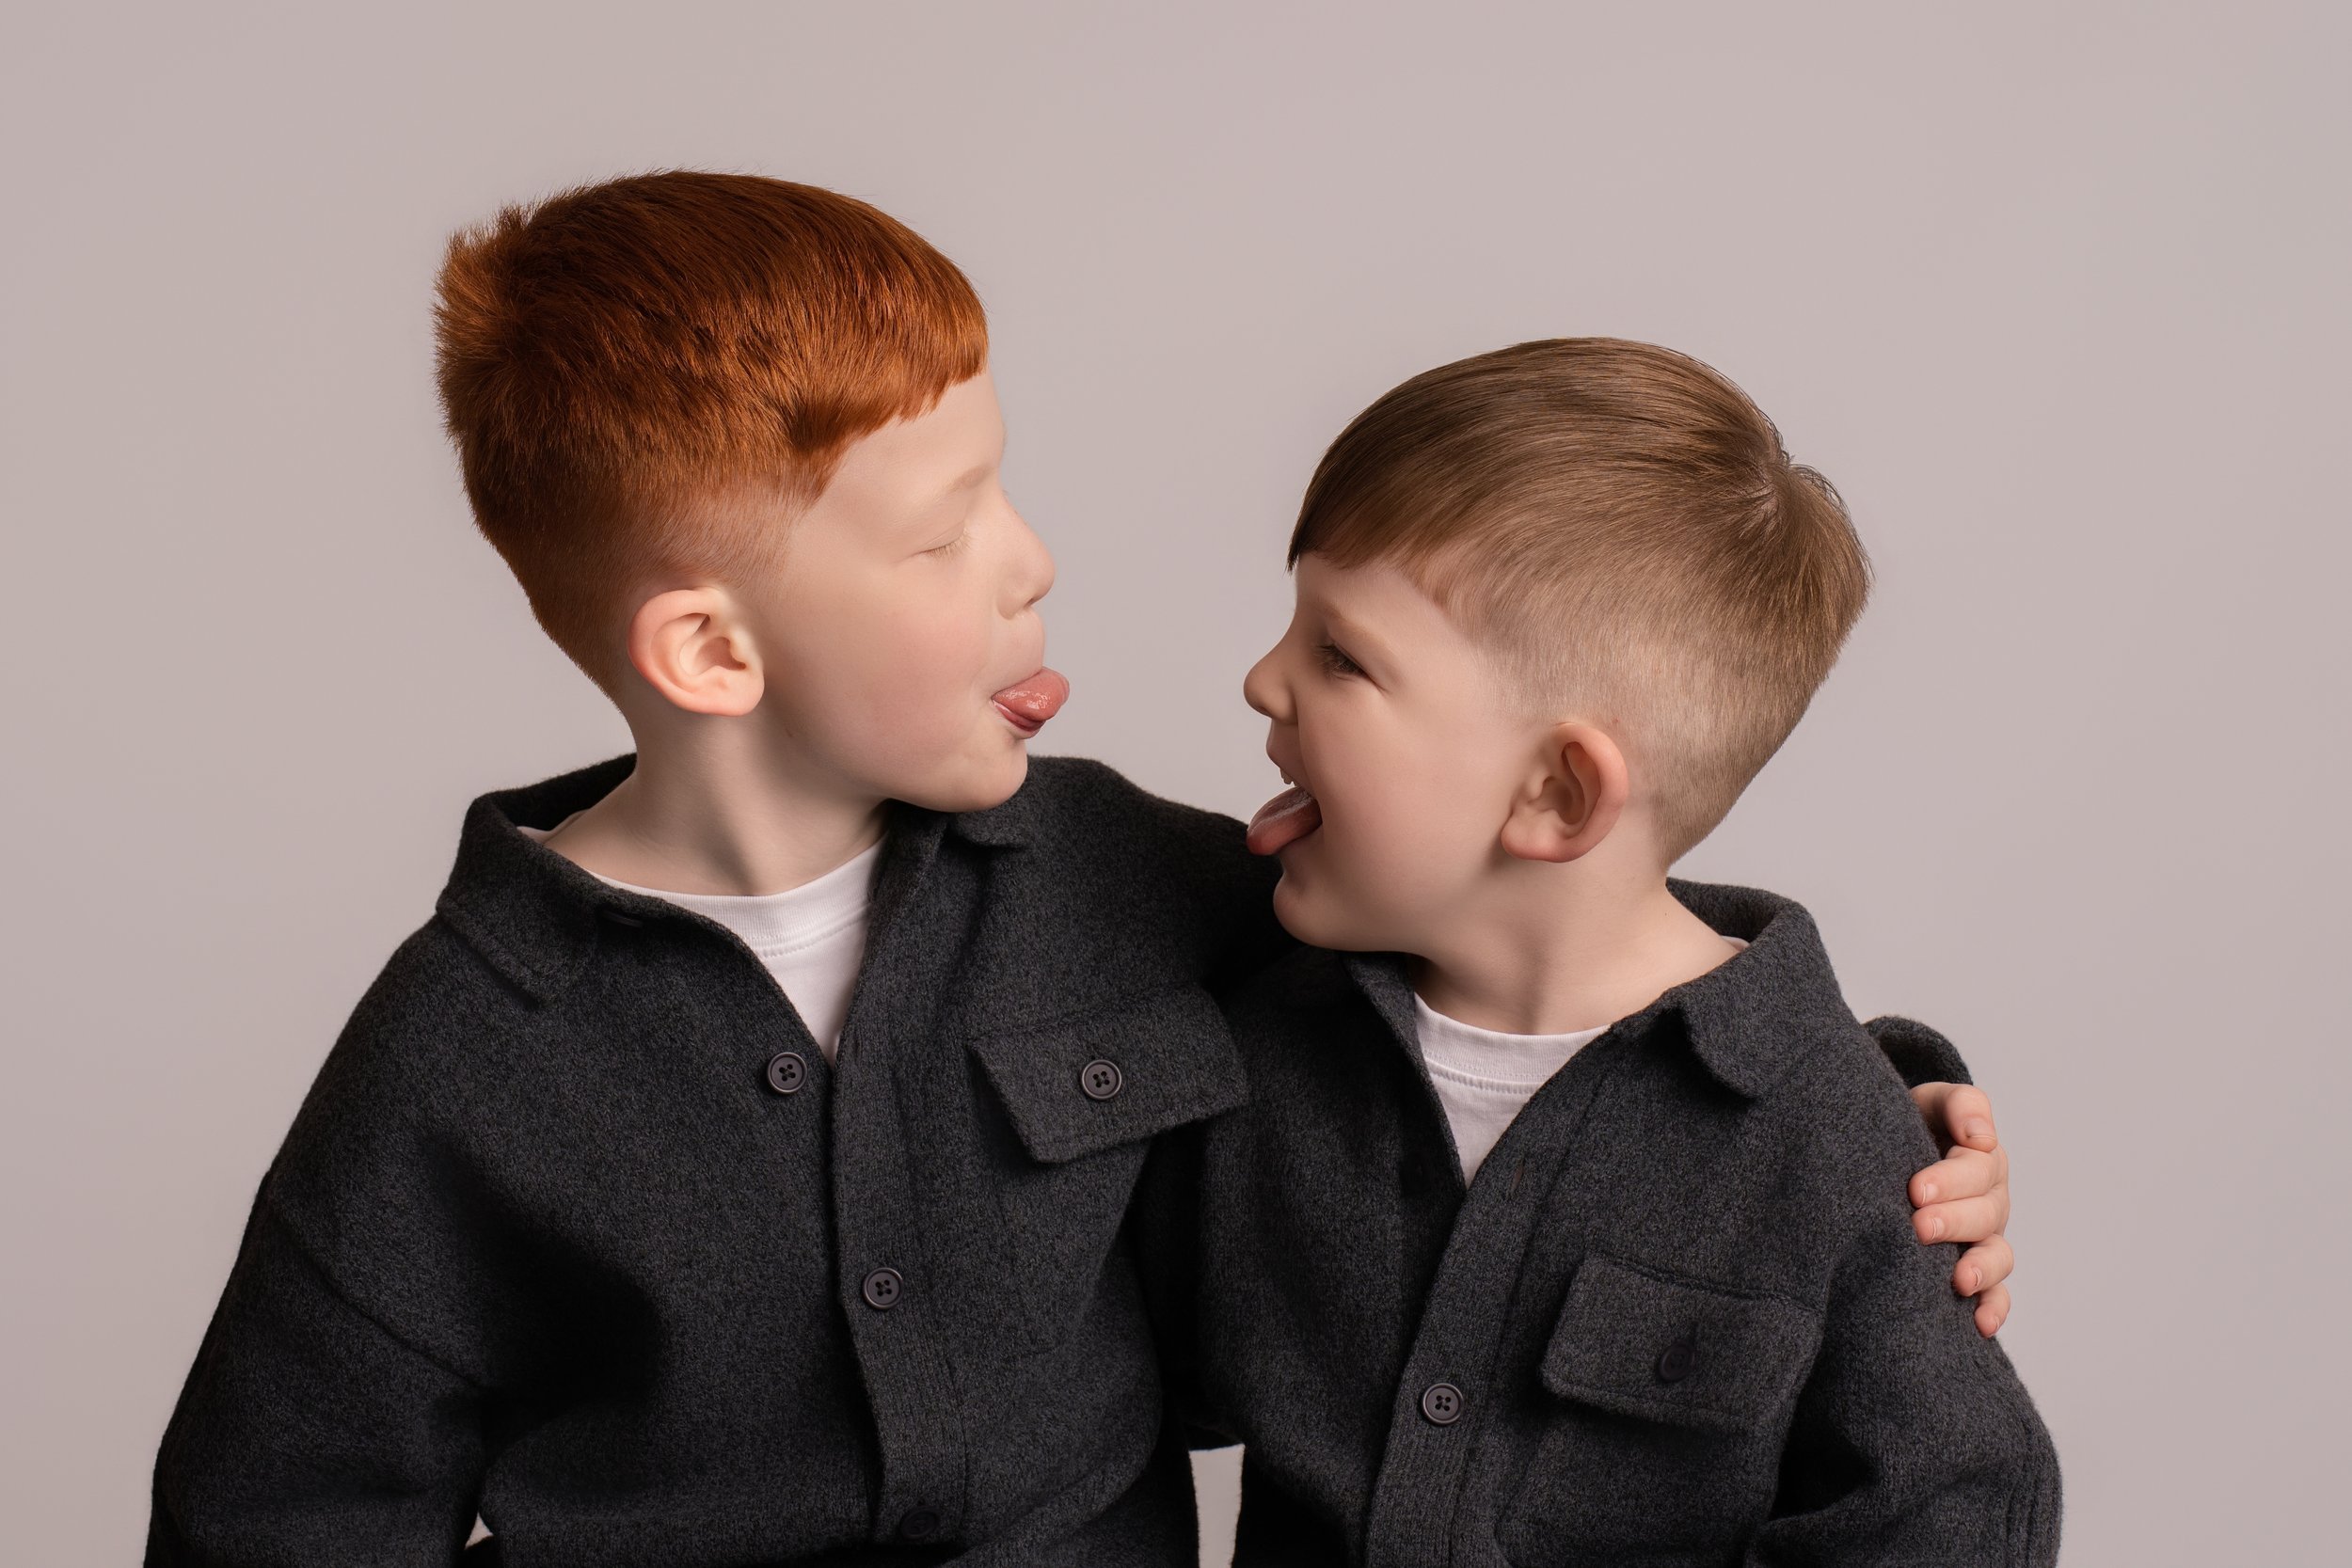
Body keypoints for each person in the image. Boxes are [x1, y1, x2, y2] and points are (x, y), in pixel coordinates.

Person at [147, 176, 2018, 1566]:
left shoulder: (1132, 886)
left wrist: (1893, 1112)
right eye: (943, 533)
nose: (1030, 563)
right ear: (714, 654)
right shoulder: (461, 1058)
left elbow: (1550, 974)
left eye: (1004, 489)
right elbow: (286, 1509)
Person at [1147, 339, 2058, 1564]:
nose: (1264, 682)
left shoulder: (1838, 1143)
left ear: (1559, 795)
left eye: (1340, 655)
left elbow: (1946, 1516)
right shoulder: (1251, 1050)